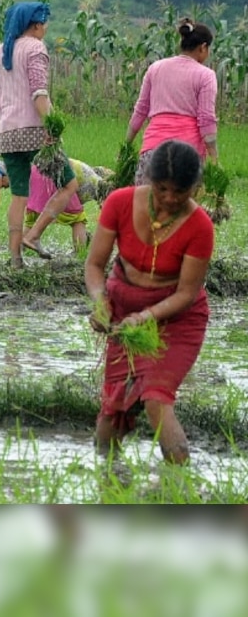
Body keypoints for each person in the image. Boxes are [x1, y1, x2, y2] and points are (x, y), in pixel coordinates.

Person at [84, 141, 214, 467]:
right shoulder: (120, 202)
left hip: (177, 318)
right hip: (123, 310)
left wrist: (146, 316)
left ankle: (182, 490)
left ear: (195, 188)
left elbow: (186, 293)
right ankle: (110, 488)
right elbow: (94, 265)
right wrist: (101, 302)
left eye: (180, 192)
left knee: (156, 398)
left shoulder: (200, 227)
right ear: (149, 180)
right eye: (162, 189)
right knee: (109, 422)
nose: (170, 199)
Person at [0, 1, 78, 266]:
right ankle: (35, 234)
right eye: (45, 23)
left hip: (6, 133)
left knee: (19, 195)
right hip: (35, 132)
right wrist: (51, 127)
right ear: (37, 24)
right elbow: (39, 92)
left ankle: (15, 258)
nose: (46, 29)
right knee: (69, 184)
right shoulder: (35, 48)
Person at [126, 19, 218, 185]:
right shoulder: (205, 75)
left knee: (147, 206)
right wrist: (214, 158)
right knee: (182, 208)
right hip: (187, 156)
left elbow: (141, 111)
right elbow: (206, 119)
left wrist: (126, 145)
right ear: (203, 47)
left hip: (152, 152)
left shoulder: (156, 68)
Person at [25, 159, 114, 255]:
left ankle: (19, 248)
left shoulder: (89, 172)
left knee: (33, 218)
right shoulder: (95, 184)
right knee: (77, 219)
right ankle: (80, 254)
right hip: (58, 180)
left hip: (41, 172)